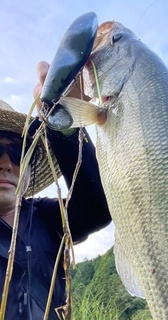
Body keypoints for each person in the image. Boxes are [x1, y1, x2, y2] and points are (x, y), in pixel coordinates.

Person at [0, 61, 111, 319]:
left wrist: (65, 124)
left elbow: (97, 210)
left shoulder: (48, 217)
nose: (6, 163)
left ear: (28, 168)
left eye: (18, 152)